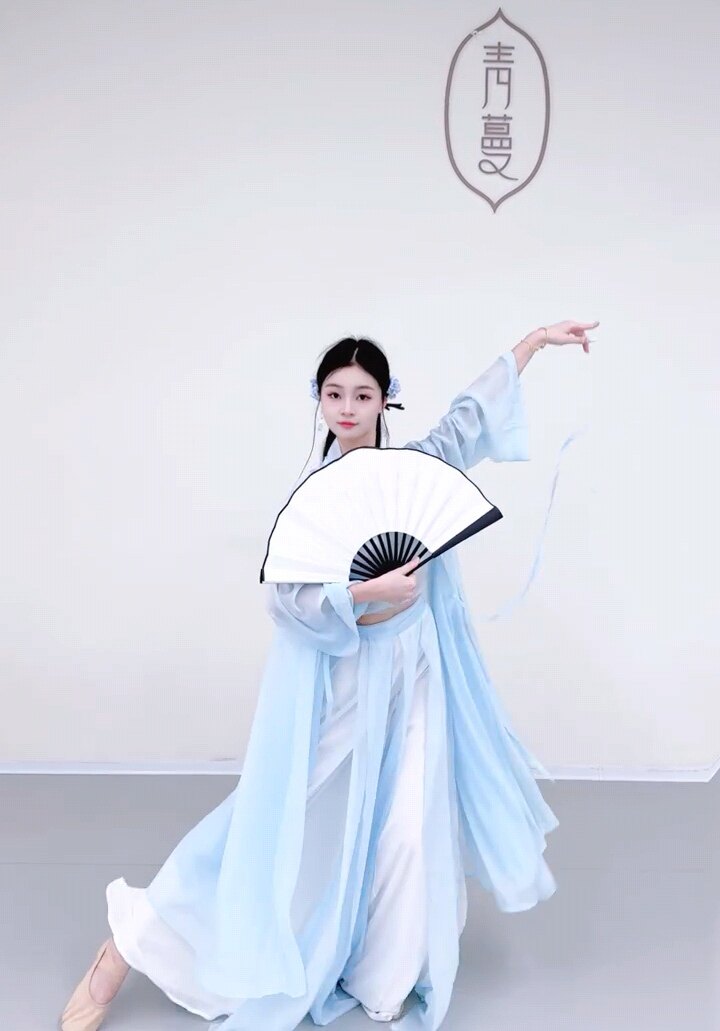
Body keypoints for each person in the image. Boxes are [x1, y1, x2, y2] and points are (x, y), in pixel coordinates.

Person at [60, 320, 599, 1031]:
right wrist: (367, 592)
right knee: (273, 818)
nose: (348, 407)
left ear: (385, 401)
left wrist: (531, 343)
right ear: (317, 399)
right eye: (335, 393)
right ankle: (132, 942)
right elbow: (288, 601)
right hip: (346, 684)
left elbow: (468, 417)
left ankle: (385, 974)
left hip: (419, 677)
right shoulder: (314, 497)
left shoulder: (416, 469)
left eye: (363, 394)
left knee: (409, 829)